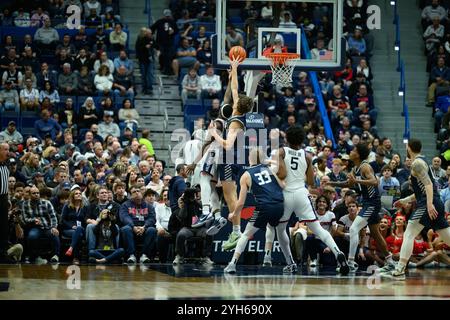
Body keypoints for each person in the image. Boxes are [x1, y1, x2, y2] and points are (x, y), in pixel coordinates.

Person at [270, 127, 349, 274]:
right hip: (301, 193)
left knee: (280, 229)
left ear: (286, 138)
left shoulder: (281, 151)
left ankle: (290, 263)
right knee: (317, 228)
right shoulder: (307, 156)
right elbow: (312, 182)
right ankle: (338, 252)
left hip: (286, 194)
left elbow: (280, 174)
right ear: (301, 140)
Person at [382, 139, 450, 280]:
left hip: (427, 203)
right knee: (447, 237)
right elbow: (420, 191)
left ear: (410, 148)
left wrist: (429, 204)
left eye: (407, 146)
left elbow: (429, 185)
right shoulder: (420, 162)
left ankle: (400, 268)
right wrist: (404, 201)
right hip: (430, 202)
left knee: (408, 234)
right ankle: (400, 267)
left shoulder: (417, 163)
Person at [206, 57, 254, 251]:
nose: (235, 98)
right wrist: (234, 70)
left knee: (229, 194)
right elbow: (234, 89)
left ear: (237, 105)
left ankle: (236, 231)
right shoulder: (238, 112)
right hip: (238, 158)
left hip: (230, 158)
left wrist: (214, 134)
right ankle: (236, 229)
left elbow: (227, 144)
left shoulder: (235, 121)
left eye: (237, 100)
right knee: (230, 193)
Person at [224, 148, 297, 273]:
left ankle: (232, 264)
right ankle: (290, 263)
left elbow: (241, 202)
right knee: (280, 231)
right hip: (280, 204)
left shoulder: (245, 175)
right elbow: (283, 185)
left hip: (264, 206)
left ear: (250, 158)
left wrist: (234, 214)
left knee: (246, 234)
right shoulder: (269, 169)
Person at [328, 143, 395, 273]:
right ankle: (390, 261)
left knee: (353, 229)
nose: (351, 151)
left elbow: (375, 181)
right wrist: (332, 183)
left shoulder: (365, 166)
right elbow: (348, 183)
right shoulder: (356, 168)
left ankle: (351, 262)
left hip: (372, 203)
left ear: (358, 154)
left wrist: (357, 181)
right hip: (367, 203)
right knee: (376, 234)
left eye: (353, 150)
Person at [119, 184, 157, 264]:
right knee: (126, 229)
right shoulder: (125, 205)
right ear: (130, 195)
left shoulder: (149, 206)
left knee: (152, 230)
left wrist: (144, 227)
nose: (137, 193)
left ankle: (144, 255)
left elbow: (152, 218)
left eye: (138, 191)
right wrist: (133, 227)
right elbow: (124, 217)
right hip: (131, 228)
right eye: (134, 192)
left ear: (141, 193)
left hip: (144, 229)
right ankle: (131, 255)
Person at [0, 143, 12, 263]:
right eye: (5, 150)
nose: (7, 152)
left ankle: (3, 254)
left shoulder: (7, 165)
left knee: (3, 227)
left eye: (8, 149)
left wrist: (8, 198)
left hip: (3, 198)